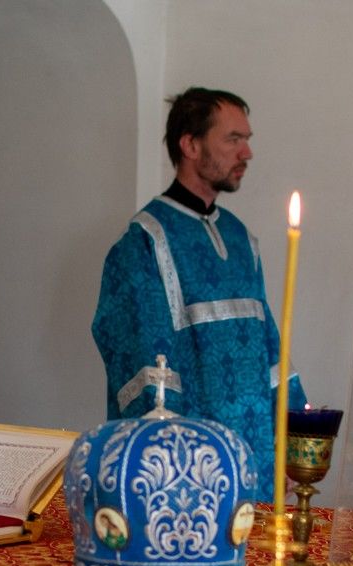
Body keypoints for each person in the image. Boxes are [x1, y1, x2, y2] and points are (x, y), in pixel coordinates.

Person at [92, 87, 306, 497]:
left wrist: (296, 436)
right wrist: (171, 463)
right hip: (188, 472)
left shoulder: (241, 238)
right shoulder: (143, 242)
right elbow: (144, 363)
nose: (246, 153)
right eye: (233, 139)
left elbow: (269, 345)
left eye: (247, 140)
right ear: (190, 145)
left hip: (258, 461)